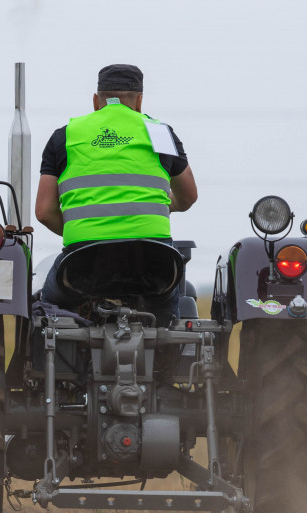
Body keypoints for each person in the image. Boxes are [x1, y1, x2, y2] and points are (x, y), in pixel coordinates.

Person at [34, 64, 197, 323]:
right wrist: (163, 207)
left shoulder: (65, 136)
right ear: (139, 101)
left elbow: (43, 212)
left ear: (96, 101)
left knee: (48, 308)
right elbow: (188, 197)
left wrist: (85, 226)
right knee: (167, 318)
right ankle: (168, 354)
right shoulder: (159, 132)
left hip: (83, 262)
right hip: (154, 263)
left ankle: (46, 360)